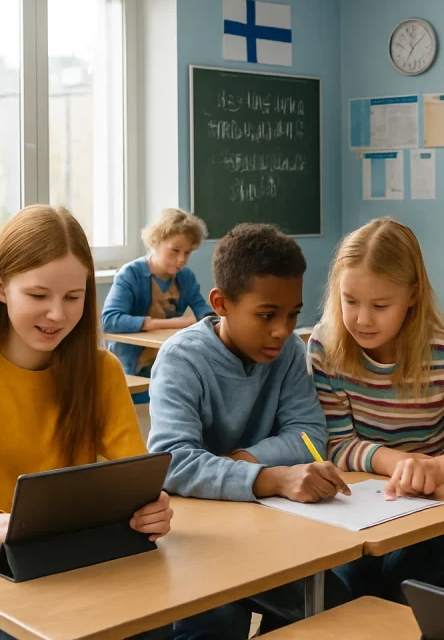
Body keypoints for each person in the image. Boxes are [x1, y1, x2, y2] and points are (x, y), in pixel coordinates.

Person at [0, 206, 173, 640]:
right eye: (38, 296)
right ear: (0, 287)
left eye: (73, 297)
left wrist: (153, 509)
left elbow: (136, 479)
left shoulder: (102, 371)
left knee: (158, 628)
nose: (58, 314)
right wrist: (2, 526)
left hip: (76, 569)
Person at [147, 222, 351, 638]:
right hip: (199, 541)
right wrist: (271, 477)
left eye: (293, 314)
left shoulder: (289, 350)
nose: (282, 329)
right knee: (218, 622)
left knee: (334, 605)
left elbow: (309, 433)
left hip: (270, 532)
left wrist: (246, 460)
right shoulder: (181, 359)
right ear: (221, 303)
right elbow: (172, 462)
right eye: (266, 315)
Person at [308, 216, 444, 602]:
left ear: (413, 296)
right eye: (349, 301)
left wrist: (435, 468)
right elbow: (336, 445)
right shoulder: (325, 345)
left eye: (380, 305)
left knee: (394, 595)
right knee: (338, 594)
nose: (362, 319)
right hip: (366, 505)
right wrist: (402, 464)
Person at [102, 208, 213, 383]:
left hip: (167, 363)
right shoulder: (130, 274)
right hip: (130, 369)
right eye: (175, 251)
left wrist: (215, 321)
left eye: (187, 253)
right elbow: (109, 320)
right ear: (156, 242)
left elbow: (203, 310)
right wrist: (172, 323)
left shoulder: (186, 277)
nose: (182, 260)